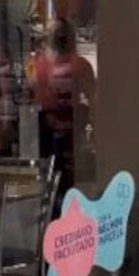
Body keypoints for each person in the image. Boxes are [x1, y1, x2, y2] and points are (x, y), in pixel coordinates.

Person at [33, 18, 96, 199]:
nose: (57, 38)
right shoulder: (39, 63)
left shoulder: (79, 65)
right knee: (48, 177)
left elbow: (94, 97)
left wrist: (94, 128)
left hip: (70, 132)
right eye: (53, 34)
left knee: (67, 179)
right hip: (44, 130)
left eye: (60, 34)